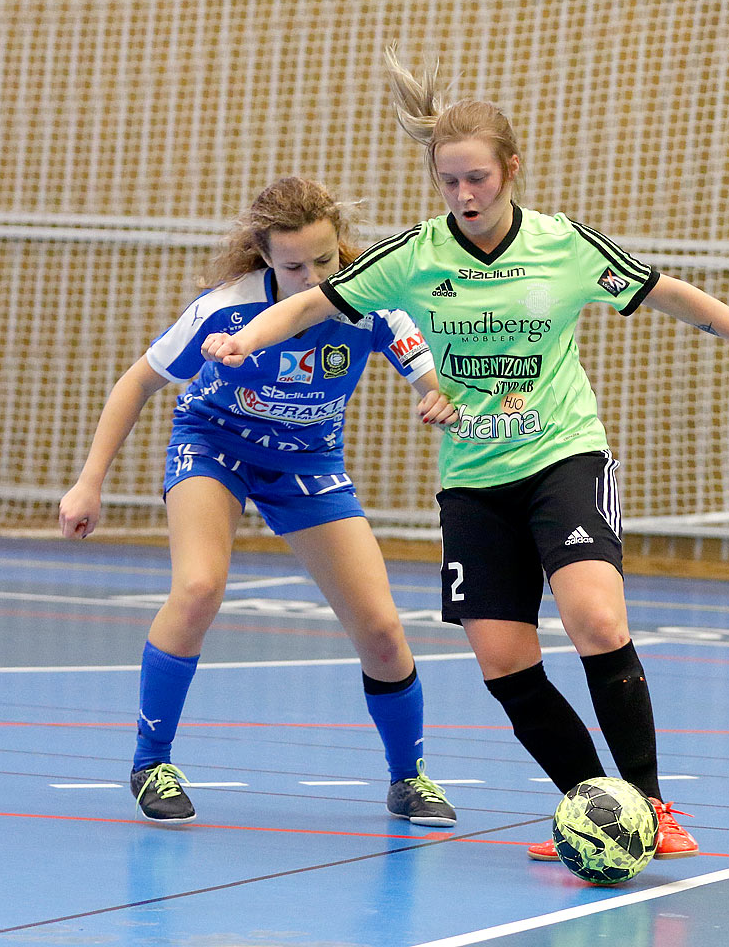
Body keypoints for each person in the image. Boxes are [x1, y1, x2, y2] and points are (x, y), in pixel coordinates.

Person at [201, 54, 729, 862]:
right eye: (450, 182)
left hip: (563, 456)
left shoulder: (562, 246)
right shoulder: (416, 256)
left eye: (479, 180)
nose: (465, 197)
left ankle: (651, 806)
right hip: (473, 478)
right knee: (503, 658)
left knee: (596, 619)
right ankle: (594, 811)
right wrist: (242, 338)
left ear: (511, 171)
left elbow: (667, 292)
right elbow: (314, 302)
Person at [59, 176, 460, 828]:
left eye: (325, 261)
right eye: (294, 264)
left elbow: (432, 375)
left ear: (342, 246)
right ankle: (150, 761)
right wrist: (89, 481)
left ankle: (408, 778)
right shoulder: (227, 309)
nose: (311, 277)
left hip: (308, 463)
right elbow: (138, 382)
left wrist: (439, 397)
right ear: (265, 256)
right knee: (197, 588)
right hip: (216, 448)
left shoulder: (375, 302)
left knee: (384, 632)